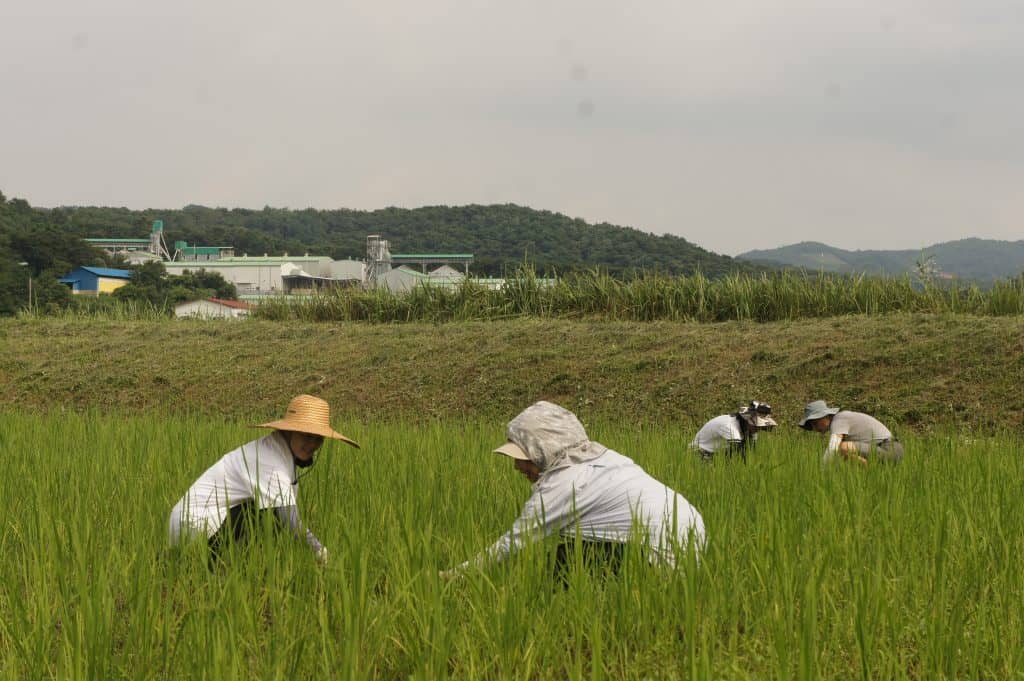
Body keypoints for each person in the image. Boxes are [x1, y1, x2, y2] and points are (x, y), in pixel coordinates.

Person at [442, 401, 705, 580]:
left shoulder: (564, 485)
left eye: (522, 456)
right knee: (572, 550)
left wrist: (452, 576)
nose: (517, 466)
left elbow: (512, 543)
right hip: (692, 539)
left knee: (566, 561)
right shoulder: (608, 458)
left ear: (543, 451)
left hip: (658, 555)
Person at [168, 394, 359, 564]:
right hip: (193, 526)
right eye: (306, 436)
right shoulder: (269, 460)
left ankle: (236, 565)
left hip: (204, 525)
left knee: (271, 512)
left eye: (318, 438)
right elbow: (289, 520)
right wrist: (322, 553)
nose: (312, 445)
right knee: (272, 514)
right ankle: (210, 563)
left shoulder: (281, 454)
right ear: (290, 431)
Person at [798, 400, 903, 465]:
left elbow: (832, 447)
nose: (815, 428)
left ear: (826, 416)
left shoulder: (839, 419)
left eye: (816, 423)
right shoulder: (840, 423)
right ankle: (872, 475)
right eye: (812, 426)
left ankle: (871, 471)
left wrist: (821, 472)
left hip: (890, 449)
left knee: (842, 447)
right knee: (843, 457)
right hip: (884, 450)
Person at [690, 400, 778, 461]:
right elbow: (739, 455)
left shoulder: (751, 429)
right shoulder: (730, 426)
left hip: (717, 453)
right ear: (747, 420)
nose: (757, 430)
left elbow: (750, 451)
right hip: (698, 452)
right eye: (756, 426)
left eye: (759, 428)